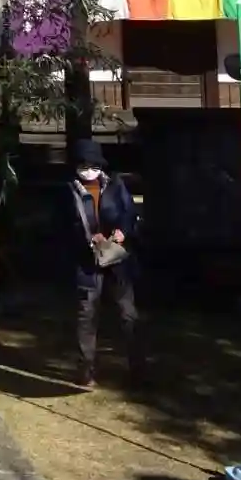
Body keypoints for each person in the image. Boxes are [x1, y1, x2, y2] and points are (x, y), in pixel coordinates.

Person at [68, 137, 142, 390]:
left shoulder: (115, 185)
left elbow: (129, 213)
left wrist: (123, 231)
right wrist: (87, 238)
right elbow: (60, 226)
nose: (89, 170)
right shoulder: (68, 191)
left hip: (116, 257)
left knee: (128, 314)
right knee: (87, 315)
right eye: (84, 165)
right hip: (86, 262)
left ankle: (137, 369)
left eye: (94, 165)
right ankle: (86, 370)